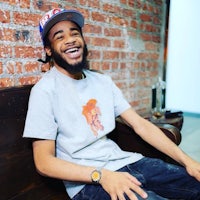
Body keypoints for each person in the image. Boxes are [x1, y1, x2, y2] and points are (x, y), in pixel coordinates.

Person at [23, 8, 200, 200]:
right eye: (59, 36)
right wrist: (102, 175)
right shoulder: (44, 91)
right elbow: (44, 162)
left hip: (127, 162)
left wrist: (188, 161)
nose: (70, 39)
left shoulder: (102, 81)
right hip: (88, 182)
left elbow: (140, 125)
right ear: (48, 50)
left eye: (75, 33)